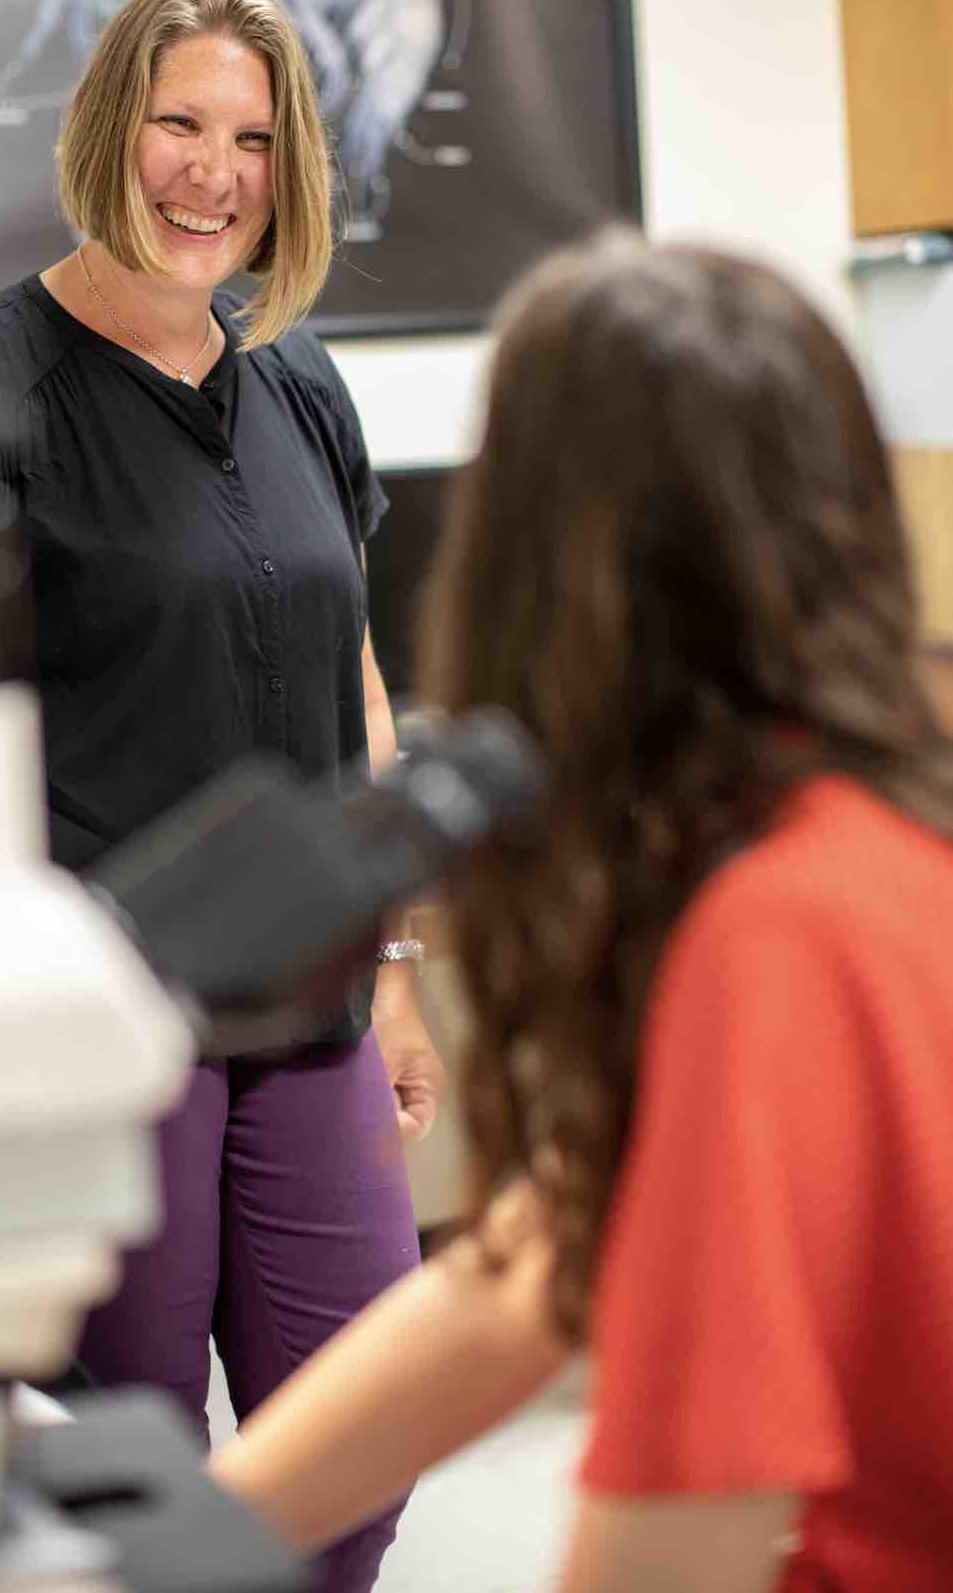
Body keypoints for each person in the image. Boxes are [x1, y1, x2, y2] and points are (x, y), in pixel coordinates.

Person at [209, 229, 953, 1592]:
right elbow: (547, 1256)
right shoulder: (865, 823)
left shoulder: (777, 932)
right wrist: (174, 1542)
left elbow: (686, 1532)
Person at [0, 0, 442, 1593]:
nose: (211, 171)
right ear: (112, 126)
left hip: (310, 1015)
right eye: (179, 121)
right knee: (127, 1473)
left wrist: (390, 968)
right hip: (104, 1034)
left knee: (361, 1447)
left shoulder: (300, 381)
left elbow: (355, 680)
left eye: (250, 138)